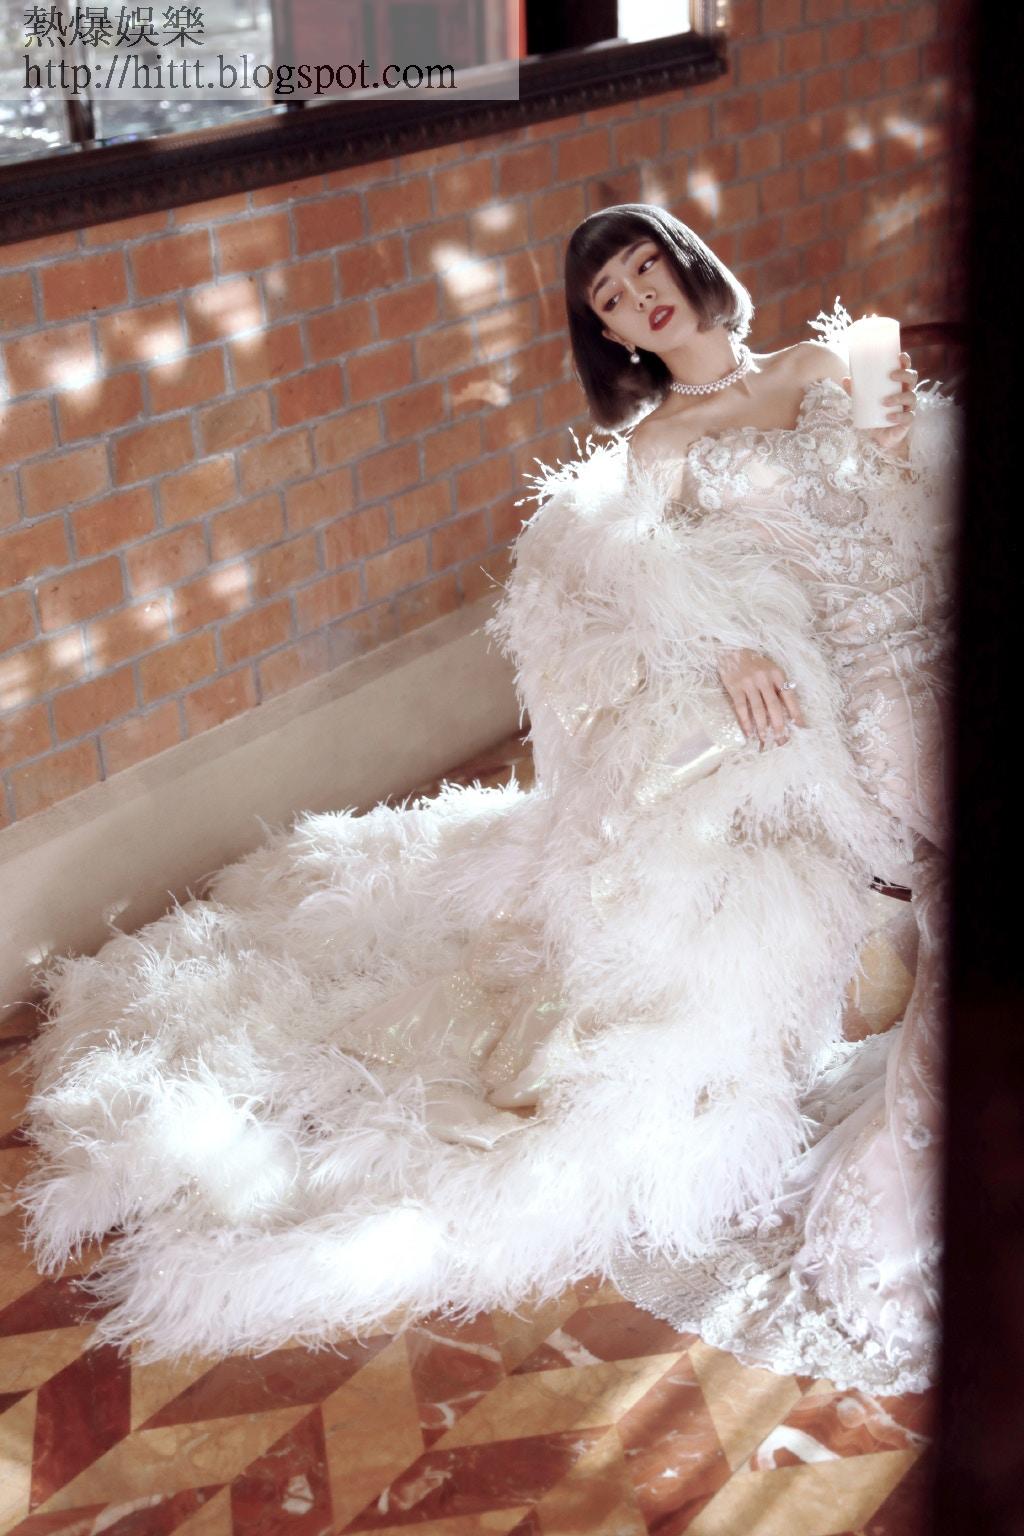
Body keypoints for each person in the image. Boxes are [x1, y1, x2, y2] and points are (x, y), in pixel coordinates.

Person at [18, 204, 959, 1393]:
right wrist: (729, 646)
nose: (638, 295)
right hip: (857, 693)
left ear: (685, 263)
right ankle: (895, 1220)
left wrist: (898, 425)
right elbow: (653, 594)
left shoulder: (831, 363)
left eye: (645, 267)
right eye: (609, 298)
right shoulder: (661, 449)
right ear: (609, 336)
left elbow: (910, 495)